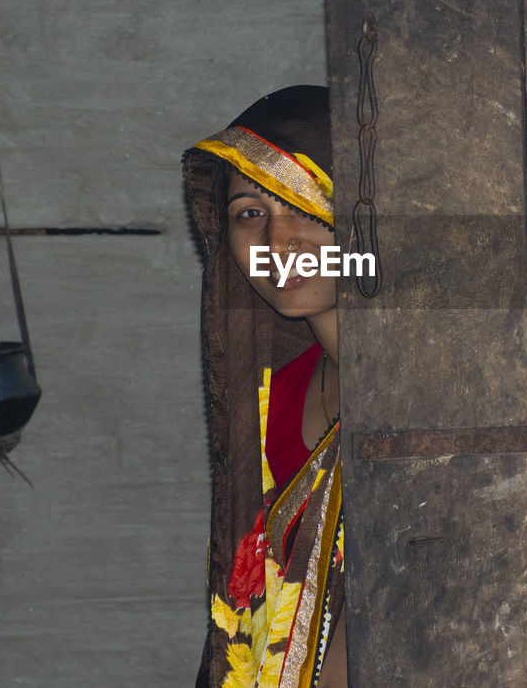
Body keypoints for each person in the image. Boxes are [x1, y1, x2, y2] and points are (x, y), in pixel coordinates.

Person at [184, 86, 346, 688]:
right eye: (251, 213)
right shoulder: (273, 401)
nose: (280, 243)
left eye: (304, 204)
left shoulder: (446, 396)